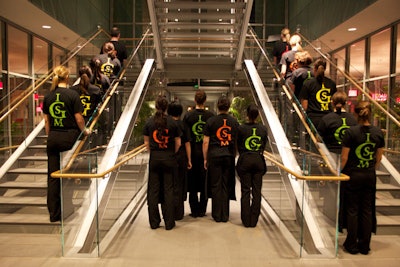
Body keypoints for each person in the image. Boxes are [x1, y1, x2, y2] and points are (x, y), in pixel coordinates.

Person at [42, 65, 90, 222]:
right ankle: (67, 208)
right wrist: (85, 131)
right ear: (67, 77)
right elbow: (79, 119)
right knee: (67, 174)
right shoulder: (72, 95)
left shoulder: (48, 97)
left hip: (53, 138)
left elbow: (46, 122)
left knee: (52, 176)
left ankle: (54, 214)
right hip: (69, 137)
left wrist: (51, 136)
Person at [340, 101, 385, 255]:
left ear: (355, 114)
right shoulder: (378, 132)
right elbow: (379, 157)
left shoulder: (351, 132)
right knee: (367, 210)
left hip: (353, 175)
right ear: (369, 114)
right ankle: (365, 245)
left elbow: (344, 157)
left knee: (352, 210)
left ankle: (351, 245)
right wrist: (371, 168)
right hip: (369, 174)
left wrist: (340, 171)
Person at [143, 96, 181, 230]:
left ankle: (154, 222)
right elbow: (178, 143)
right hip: (169, 159)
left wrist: (154, 151)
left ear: (156, 106)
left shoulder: (149, 122)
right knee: (168, 190)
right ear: (166, 108)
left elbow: (146, 144)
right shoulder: (172, 123)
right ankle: (169, 223)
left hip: (154, 159)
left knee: (153, 191)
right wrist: (171, 152)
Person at [203, 95, 239, 222]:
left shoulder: (211, 121)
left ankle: (217, 214)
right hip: (228, 156)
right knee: (226, 184)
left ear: (218, 106)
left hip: (214, 156)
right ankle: (225, 215)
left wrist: (205, 158)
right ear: (228, 107)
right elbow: (236, 141)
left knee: (215, 185)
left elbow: (206, 142)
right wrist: (234, 154)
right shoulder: (234, 122)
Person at [183, 90, 215, 217]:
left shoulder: (188, 116)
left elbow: (186, 139)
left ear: (195, 100)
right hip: (205, 154)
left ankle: (194, 210)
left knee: (192, 182)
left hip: (192, 152)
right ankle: (202, 209)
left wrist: (188, 158)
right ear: (205, 101)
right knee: (204, 182)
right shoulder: (211, 116)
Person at [236, 104, 268, 227]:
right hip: (258, 160)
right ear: (258, 115)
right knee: (257, 191)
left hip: (245, 160)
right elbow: (263, 145)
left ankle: (245, 220)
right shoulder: (263, 129)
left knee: (245, 191)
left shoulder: (241, 128)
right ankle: (254, 220)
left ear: (247, 115)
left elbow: (238, 145)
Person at [167, 101, 192, 220]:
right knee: (180, 183)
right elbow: (187, 144)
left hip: (169, 156)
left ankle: (170, 211)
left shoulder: (166, 124)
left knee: (169, 184)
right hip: (181, 157)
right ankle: (179, 213)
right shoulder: (183, 125)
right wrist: (189, 159)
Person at [300, 58, 337, 130]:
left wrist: (303, 119)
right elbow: (333, 102)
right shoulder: (332, 84)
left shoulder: (308, 84)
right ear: (325, 69)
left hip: (313, 119)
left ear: (314, 68)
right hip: (329, 119)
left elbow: (304, 106)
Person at [317, 91, 357, 155]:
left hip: (330, 153)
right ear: (345, 103)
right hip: (348, 154)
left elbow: (318, 139)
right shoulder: (353, 119)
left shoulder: (326, 118)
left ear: (332, 102)